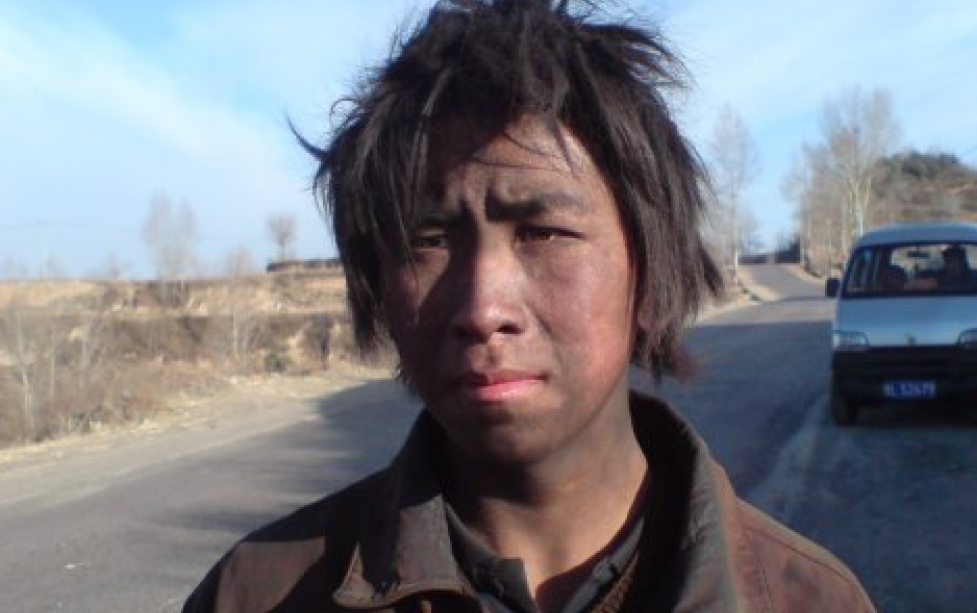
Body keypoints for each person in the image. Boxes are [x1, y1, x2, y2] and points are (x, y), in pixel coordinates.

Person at [184, 1, 876, 611]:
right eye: (428, 240)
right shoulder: (260, 593)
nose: (484, 306)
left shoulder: (809, 599)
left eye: (544, 232)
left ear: (650, 266)